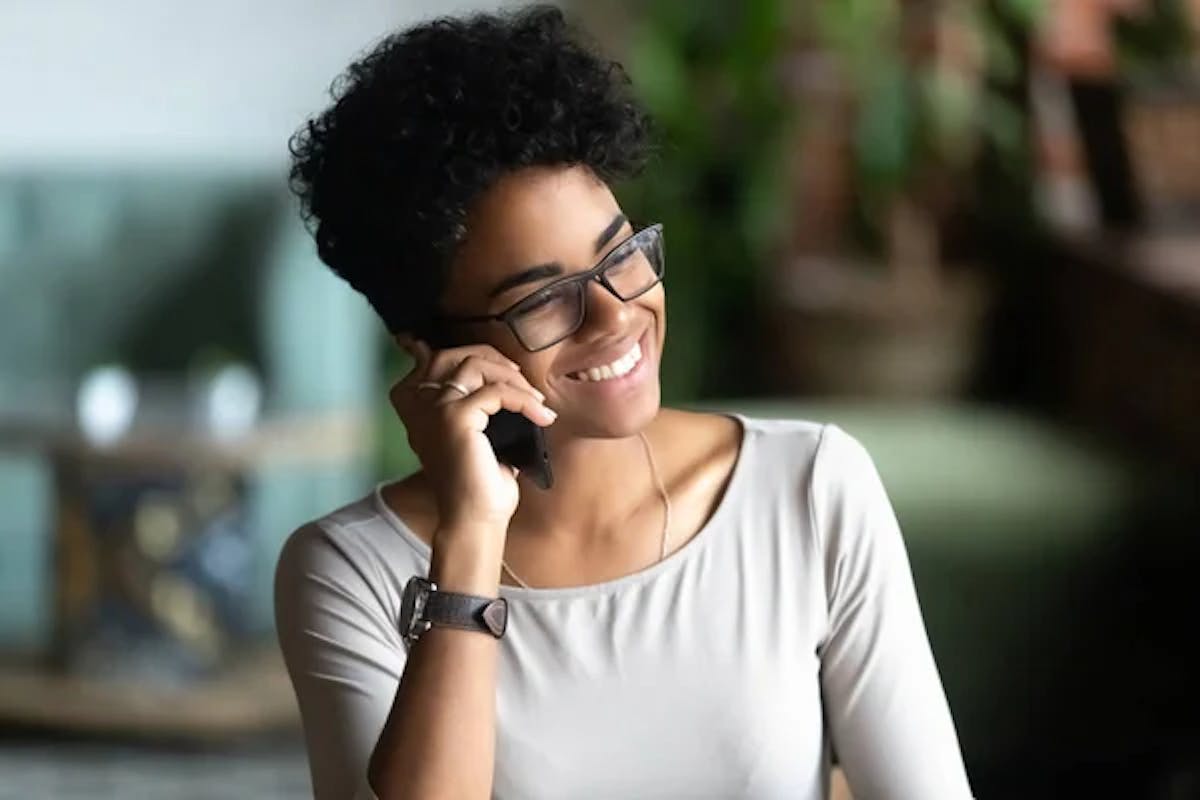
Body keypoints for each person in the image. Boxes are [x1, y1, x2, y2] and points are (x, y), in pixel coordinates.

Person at [275, 6, 973, 799]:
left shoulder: (811, 490)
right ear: (429, 347)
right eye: (543, 300)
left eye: (622, 254)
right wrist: (470, 538)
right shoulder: (348, 573)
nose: (616, 314)